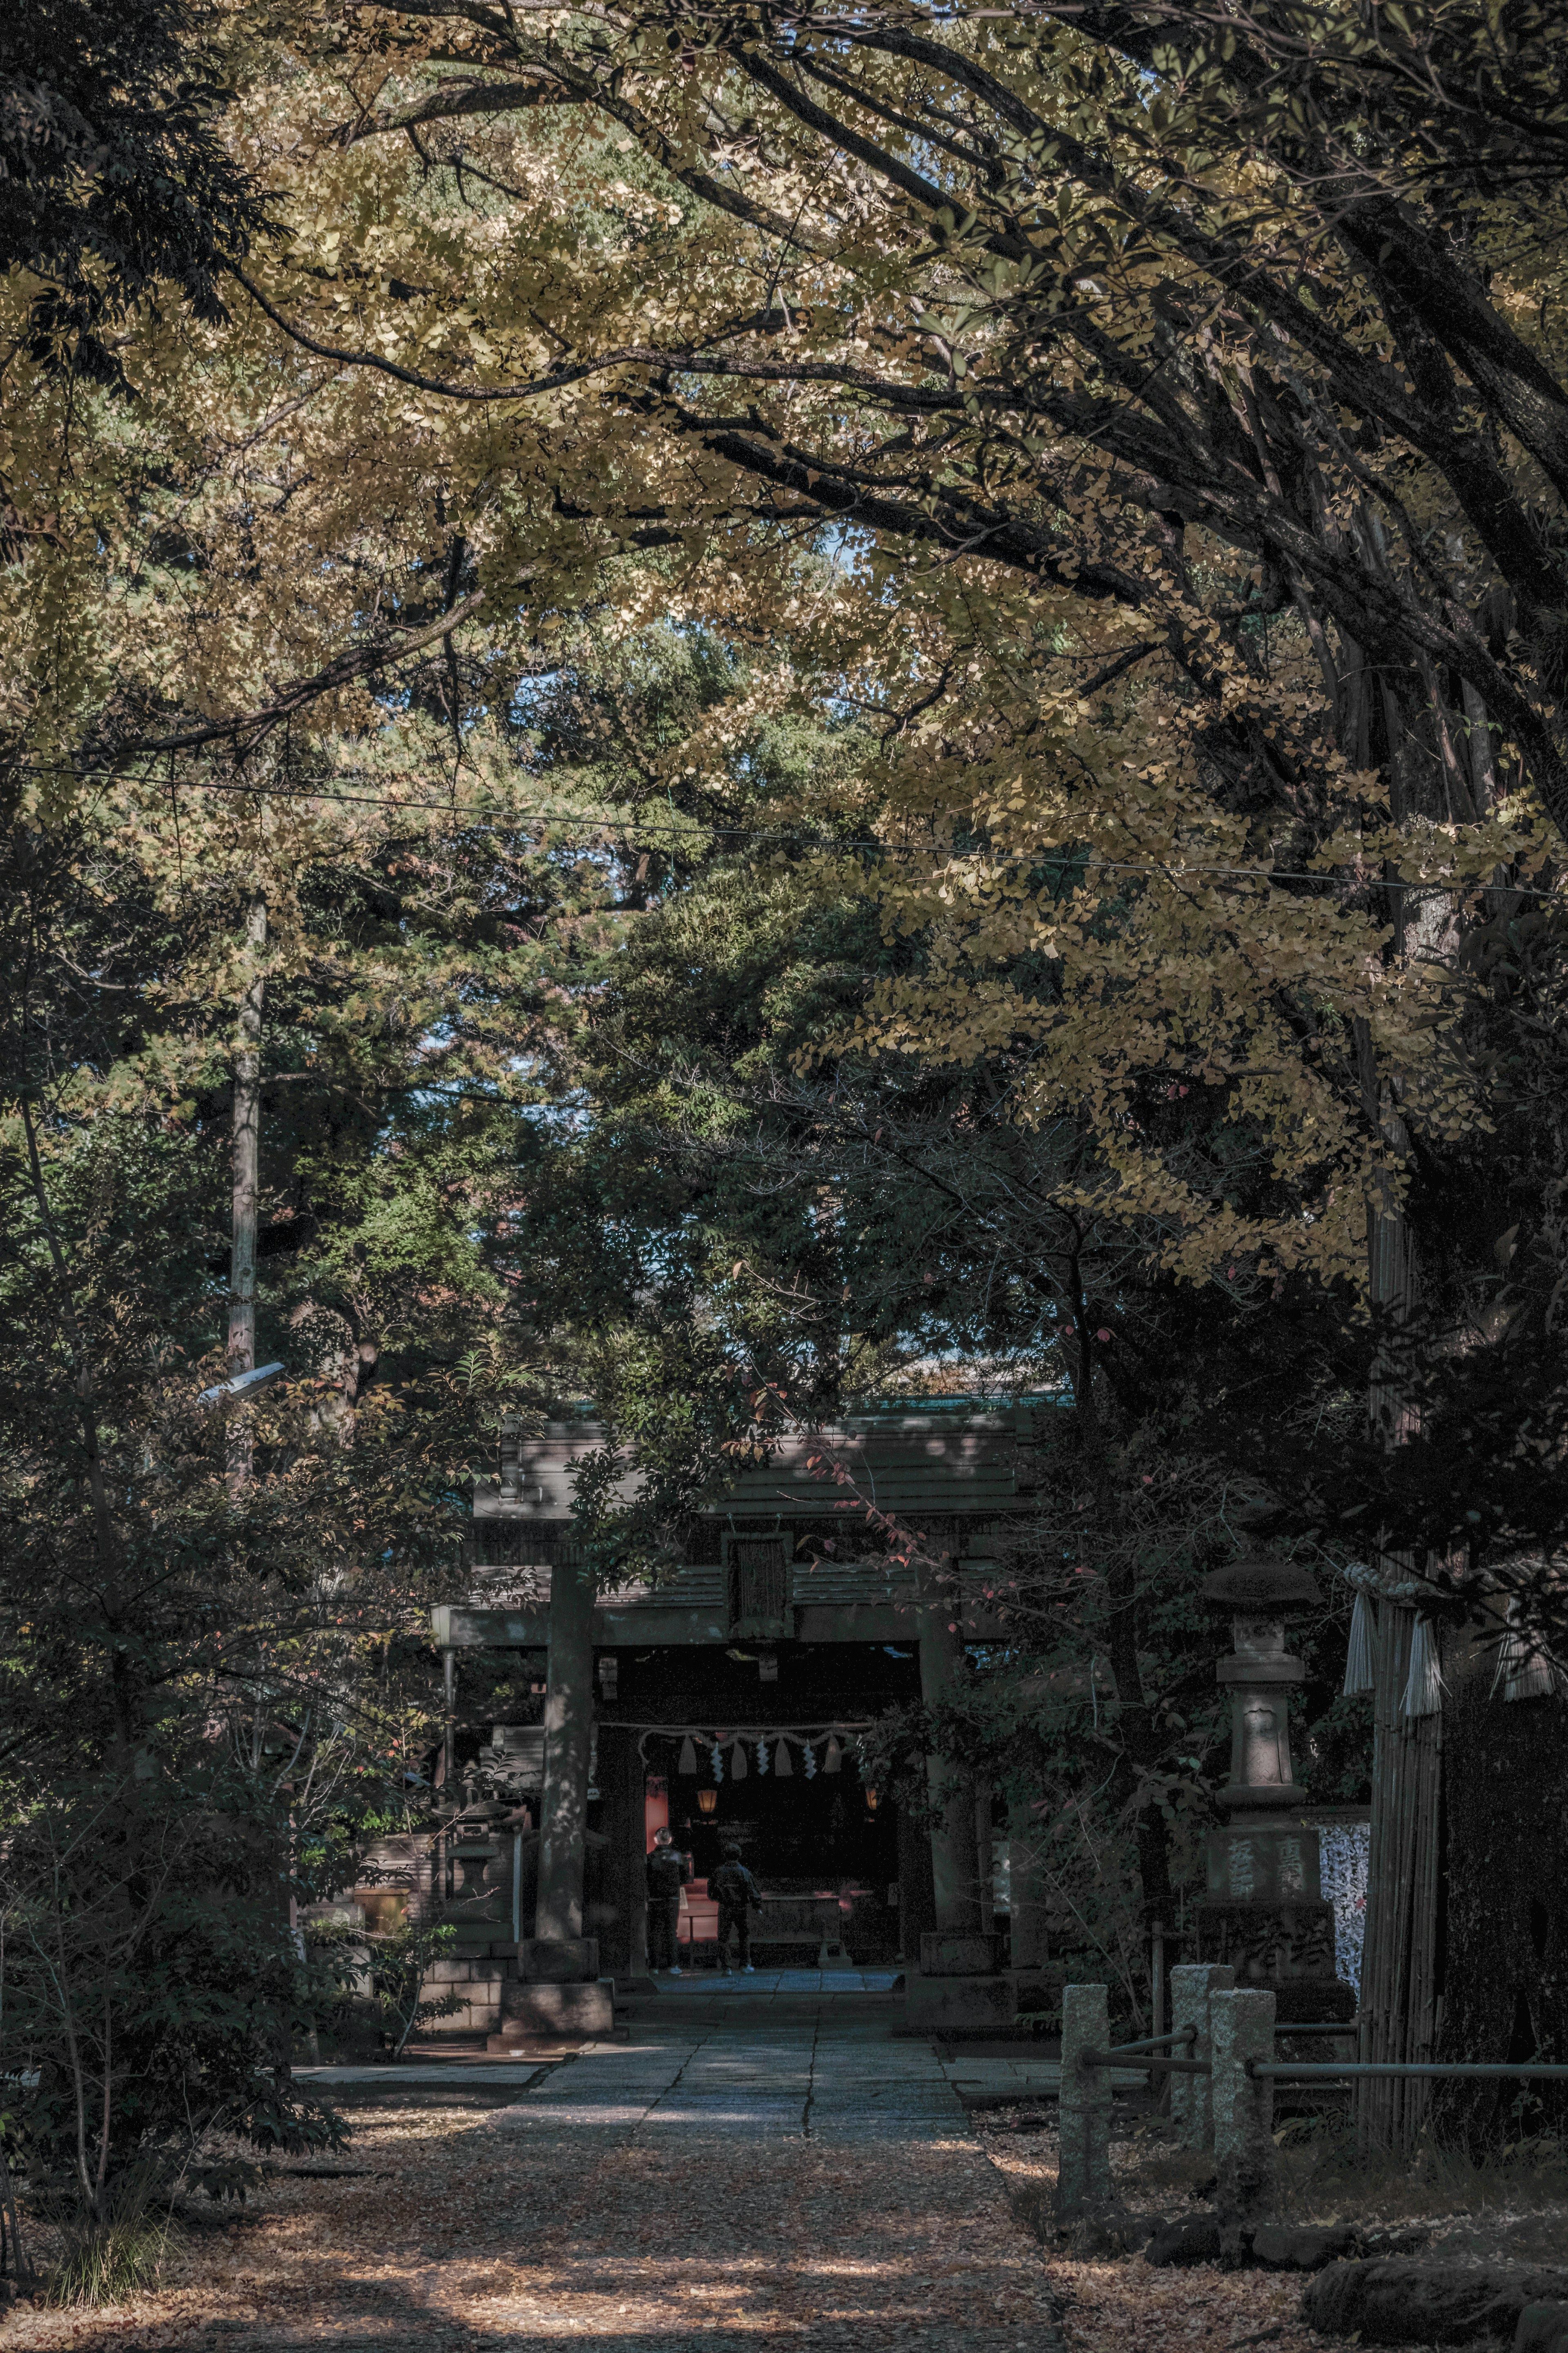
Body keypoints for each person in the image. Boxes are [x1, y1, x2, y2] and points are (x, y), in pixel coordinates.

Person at [709, 1841, 763, 1974]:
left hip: (725, 1907)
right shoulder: (744, 1872)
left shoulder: (718, 1872)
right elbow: (752, 1891)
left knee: (723, 1937)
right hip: (741, 1907)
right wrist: (757, 1906)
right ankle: (745, 1964)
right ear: (739, 1855)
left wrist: (719, 1898)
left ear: (725, 1855)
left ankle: (727, 1967)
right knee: (744, 1936)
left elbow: (711, 1892)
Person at [646, 1825, 691, 1974]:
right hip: (672, 1898)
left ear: (656, 1840)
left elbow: (645, 1879)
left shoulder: (650, 1857)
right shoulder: (678, 1857)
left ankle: (654, 1966)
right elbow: (685, 1878)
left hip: (654, 1899)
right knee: (671, 1931)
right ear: (670, 1840)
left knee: (654, 1932)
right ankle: (673, 1965)